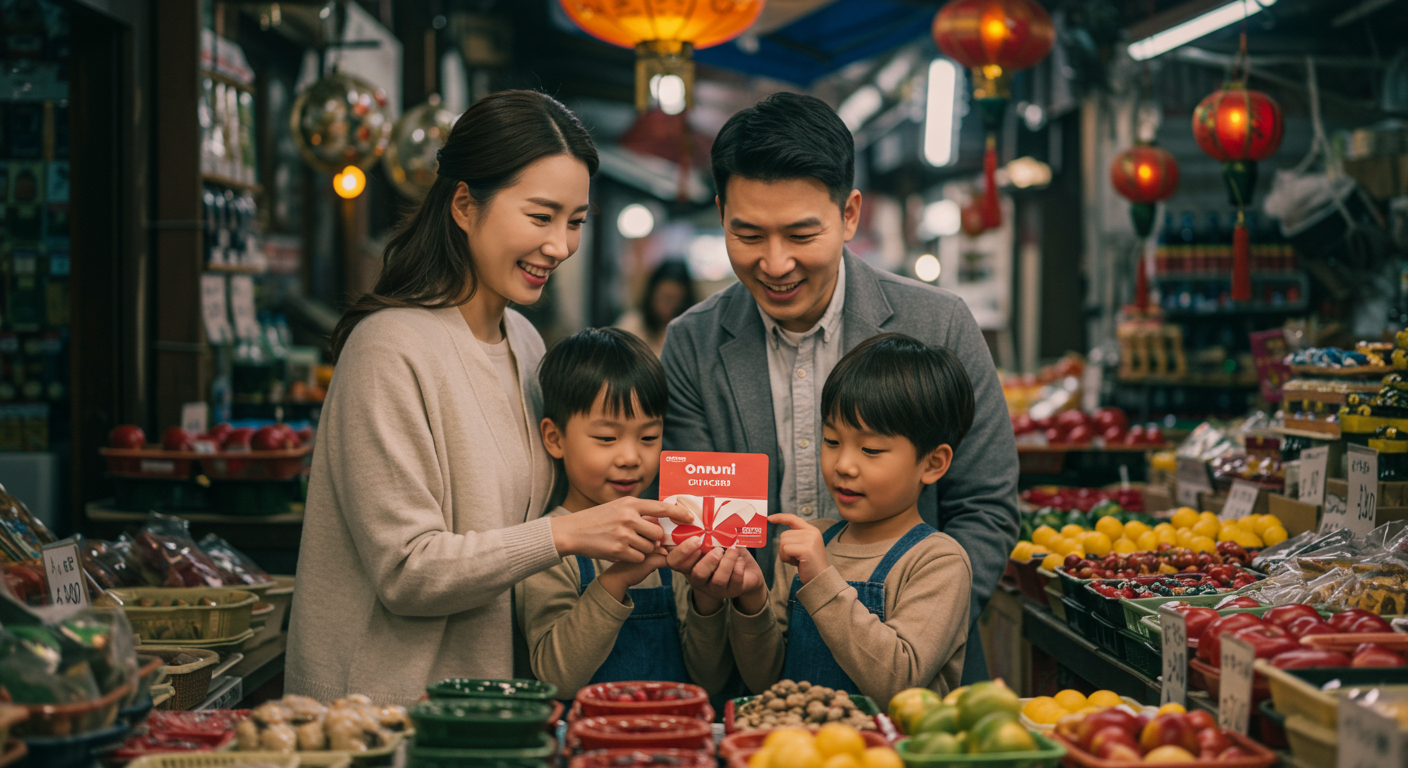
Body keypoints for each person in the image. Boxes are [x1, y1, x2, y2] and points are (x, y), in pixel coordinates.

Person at [286, 91, 691, 705]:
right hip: (384, 712)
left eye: (576, 221)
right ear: (465, 205)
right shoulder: (387, 349)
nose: (560, 245)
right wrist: (567, 536)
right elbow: (406, 571)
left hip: (485, 705)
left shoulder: (524, 342)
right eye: (540, 216)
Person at [659, 92, 1019, 685]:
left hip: (912, 682)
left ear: (850, 214)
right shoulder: (693, 345)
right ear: (722, 214)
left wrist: (924, 627)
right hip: (754, 669)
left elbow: (985, 503)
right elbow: (694, 515)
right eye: (748, 235)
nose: (775, 264)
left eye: (802, 234)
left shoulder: (938, 324)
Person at [693, 333, 976, 705]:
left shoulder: (938, 561)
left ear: (933, 462)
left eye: (871, 449)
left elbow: (899, 683)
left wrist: (822, 581)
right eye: (831, 441)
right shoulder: (811, 542)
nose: (843, 465)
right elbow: (765, 681)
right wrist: (752, 599)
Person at [515, 328, 731, 699]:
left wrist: (706, 600)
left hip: (673, 745)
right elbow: (557, 678)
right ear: (554, 439)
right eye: (606, 438)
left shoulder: (673, 532)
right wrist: (619, 579)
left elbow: (710, 680)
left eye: (648, 438)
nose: (631, 457)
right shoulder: (549, 545)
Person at [616, 260, 698, 356]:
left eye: (675, 300)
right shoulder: (633, 323)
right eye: (664, 298)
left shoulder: (690, 330)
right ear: (652, 295)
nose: (668, 306)